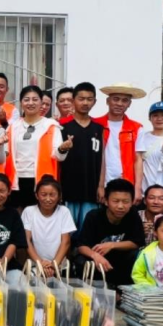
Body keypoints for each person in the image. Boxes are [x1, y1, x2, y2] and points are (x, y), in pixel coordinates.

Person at [4, 85, 71, 211]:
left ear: (41, 102)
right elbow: (5, 155)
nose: (31, 103)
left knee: (40, 216)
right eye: (26, 99)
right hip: (16, 181)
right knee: (17, 217)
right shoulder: (12, 127)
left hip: (41, 181)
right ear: (21, 103)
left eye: (35, 99)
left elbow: (59, 156)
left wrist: (63, 148)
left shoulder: (51, 126)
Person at [76, 178, 145, 287]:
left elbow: (137, 242)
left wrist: (111, 245)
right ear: (106, 201)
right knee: (81, 260)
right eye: (115, 201)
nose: (120, 206)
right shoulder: (94, 216)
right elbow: (81, 246)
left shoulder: (133, 214)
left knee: (136, 255)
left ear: (132, 202)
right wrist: (95, 256)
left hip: (121, 261)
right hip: (99, 260)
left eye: (125, 202)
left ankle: (124, 290)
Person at [59, 82, 105, 233]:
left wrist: (101, 186)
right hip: (68, 188)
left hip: (91, 188)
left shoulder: (99, 128)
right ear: (73, 100)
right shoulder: (62, 127)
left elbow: (102, 159)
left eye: (89, 99)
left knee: (88, 230)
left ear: (94, 102)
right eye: (81, 99)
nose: (85, 103)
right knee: (67, 232)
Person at [93, 82, 145, 202]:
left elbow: (138, 159)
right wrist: (99, 185)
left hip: (126, 182)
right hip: (100, 182)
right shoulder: (95, 124)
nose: (120, 104)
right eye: (116, 99)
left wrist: (137, 188)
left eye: (125, 100)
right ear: (108, 101)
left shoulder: (136, 128)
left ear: (129, 104)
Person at [22, 175, 76, 277]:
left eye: (52, 195)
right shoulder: (29, 211)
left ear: (59, 196)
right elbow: (27, 240)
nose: (48, 199)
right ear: (37, 195)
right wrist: (40, 263)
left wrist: (54, 265)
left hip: (59, 265)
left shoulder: (64, 211)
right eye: (43, 194)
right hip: (35, 265)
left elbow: (66, 241)